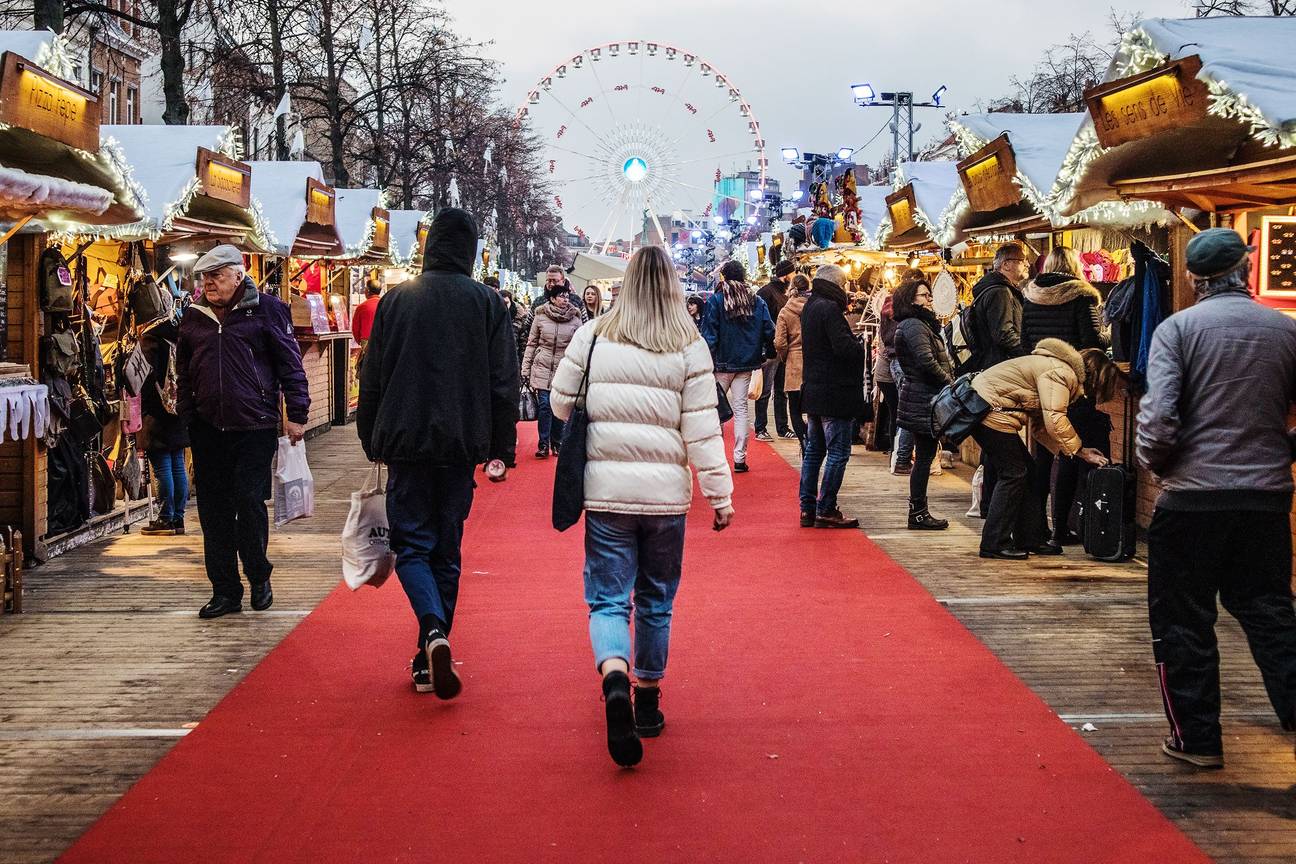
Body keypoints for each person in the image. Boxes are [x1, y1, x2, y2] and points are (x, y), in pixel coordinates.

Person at [550, 244, 734, 768]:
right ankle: (647, 701)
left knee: (609, 599)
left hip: (606, 493)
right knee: (656, 599)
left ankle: (613, 675)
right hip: (665, 502)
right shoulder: (688, 344)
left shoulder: (593, 336)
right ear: (673, 287)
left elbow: (561, 403)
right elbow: (702, 429)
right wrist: (720, 495)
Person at [1136, 227, 1296, 769]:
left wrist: (1159, 465)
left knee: (1183, 620)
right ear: (1246, 268)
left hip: (1192, 500)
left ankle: (1197, 738)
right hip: (1266, 499)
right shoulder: (1284, 331)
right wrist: (1282, 449)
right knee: (1272, 615)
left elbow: (1158, 419)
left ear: (1191, 277)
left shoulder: (1178, 330)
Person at [358, 208, 518, 699]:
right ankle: (429, 652)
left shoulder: (395, 302)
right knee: (446, 550)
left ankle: (430, 631)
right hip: (461, 443)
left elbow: (373, 377)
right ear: (469, 250)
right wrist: (500, 447)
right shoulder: (488, 304)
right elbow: (503, 383)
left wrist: (371, 435)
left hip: (406, 442)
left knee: (412, 547)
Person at [176, 244, 309, 619]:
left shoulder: (267, 310)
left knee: (249, 504)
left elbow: (290, 365)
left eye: (216, 276)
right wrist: (188, 414)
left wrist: (297, 413)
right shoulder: (194, 316)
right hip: (207, 427)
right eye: (205, 278)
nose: (209, 284)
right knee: (213, 511)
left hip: (254, 425)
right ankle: (224, 590)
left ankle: (258, 575)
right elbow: (183, 371)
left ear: (239, 274)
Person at [970, 340, 1114, 560]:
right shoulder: (1062, 374)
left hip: (985, 408)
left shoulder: (1055, 368)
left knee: (1026, 471)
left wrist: (1065, 451)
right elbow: (1055, 418)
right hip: (989, 411)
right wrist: (1080, 450)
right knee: (1014, 473)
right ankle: (993, 543)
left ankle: (1030, 538)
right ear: (1096, 376)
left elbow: (1040, 425)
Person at [1021, 246, 1108, 545]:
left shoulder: (1029, 295)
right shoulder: (1081, 295)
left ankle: (1035, 526)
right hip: (1072, 385)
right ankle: (1062, 527)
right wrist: (1109, 334)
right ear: (1074, 267)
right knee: (1072, 450)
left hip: (1038, 381)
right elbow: (1093, 341)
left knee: (1044, 452)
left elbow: (1024, 342)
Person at [798, 264, 866, 529]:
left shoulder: (811, 306)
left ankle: (807, 508)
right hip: (834, 392)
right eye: (845, 283)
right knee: (838, 452)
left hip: (814, 389)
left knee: (814, 451)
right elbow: (842, 347)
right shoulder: (829, 308)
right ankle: (826, 508)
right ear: (837, 284)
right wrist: (858, 345)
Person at [969, 242, 1032, 516]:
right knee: (1002, 448)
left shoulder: (990, 291)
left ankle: (988, 504)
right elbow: (1003, 333)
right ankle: (992, 506)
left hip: (990, 372)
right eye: (1022, 261)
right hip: (998, 374)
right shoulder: (1000, 294)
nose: (1026, 266)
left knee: (997, 449)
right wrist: (1028, 355)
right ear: (1006, 264)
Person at [700, 260, 775, 474]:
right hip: (747, 361)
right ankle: (739, 458)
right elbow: (769, 329)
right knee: (741, 408)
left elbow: (710, 333)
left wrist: (707, 358)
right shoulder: (756, 301)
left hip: (721, 362)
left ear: (724, 277)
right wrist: (766, 350)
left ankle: (716, 458)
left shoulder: (717, 300)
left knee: (716, 409)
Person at [892, 274, 954, 530]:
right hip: (924, 396)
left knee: (925, 456)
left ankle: (919, 511)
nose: (930, 299)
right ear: (911, 299)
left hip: (921, 395)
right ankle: (918, 512)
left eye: (929, 295)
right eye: (924, 295)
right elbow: (926, 361)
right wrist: (949, 381)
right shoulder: (914, 325)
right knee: (925, 457)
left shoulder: (918, 324)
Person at [138, 318, 189, 537]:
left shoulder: (151, 340)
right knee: (177, 464)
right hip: (178, 411)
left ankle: (165, 518)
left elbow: (145, 379)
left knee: (162, 467)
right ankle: (178, 518)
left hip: (158, 413)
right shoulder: (180, 336)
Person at [522, 288, 583, 458]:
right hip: (542, 365)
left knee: (559, 406)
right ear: (552, 299)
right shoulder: (540, 316)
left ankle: (557, 441)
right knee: (545, 406)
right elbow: (531, 343)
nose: (565, 299)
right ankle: (543, 443)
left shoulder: (575, 319)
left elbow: (580, 347)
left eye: (567, 296)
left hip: (563, 368)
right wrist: (525, 368)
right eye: (561, 296)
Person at [755, 260, 795, 441]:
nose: (794, 276)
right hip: (770, 350)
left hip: (784, 349)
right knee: (765, 390)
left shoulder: (786, 293)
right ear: (785, 274)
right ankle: (760, 427)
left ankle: (782, 426)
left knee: (781, 389)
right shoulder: (765, 293)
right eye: (792, 273)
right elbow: (759, 322)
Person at [774, 272, 809, 447]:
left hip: (794, 363)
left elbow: (780, 342)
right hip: (813, 361)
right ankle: (813, 441)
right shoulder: (814, 307)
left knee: (794, 409)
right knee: (813, 409)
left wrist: (784, 356)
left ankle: (804, 442)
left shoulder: (785, 311)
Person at [351, 277, 382, 344]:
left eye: (365, 288)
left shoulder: (362, 307)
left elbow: (355, 328)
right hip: (383, 341)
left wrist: (360, 342)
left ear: (367, 290)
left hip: (367, 341)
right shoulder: (386, 305)